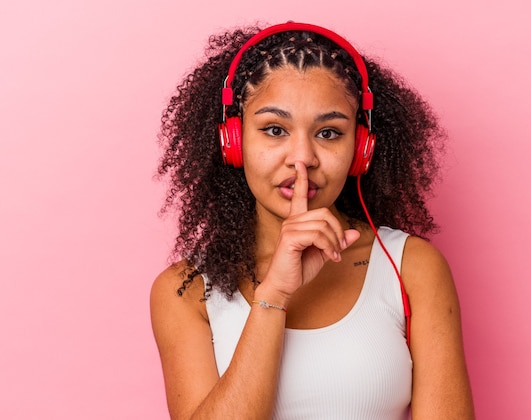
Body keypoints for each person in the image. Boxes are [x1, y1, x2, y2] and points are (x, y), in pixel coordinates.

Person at [150, 21, 474, 419]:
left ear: (362, 150)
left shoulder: (412, 267)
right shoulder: (186, 292)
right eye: (274, 129)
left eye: (329, 133)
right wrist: (275, 295)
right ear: (232, 142)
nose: (302, 157)